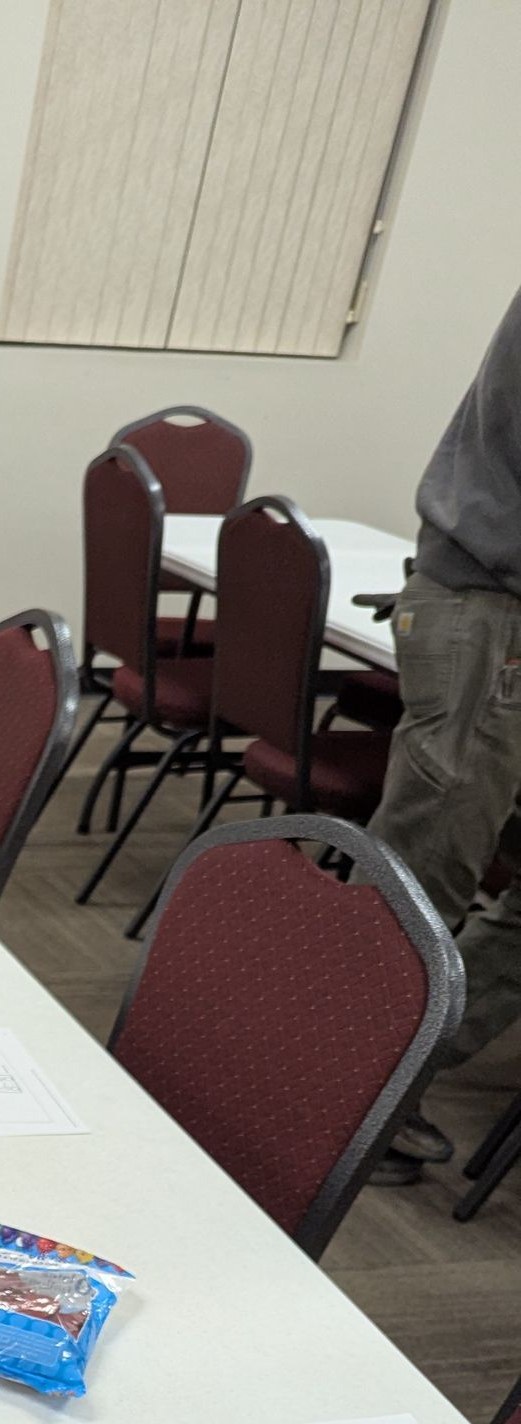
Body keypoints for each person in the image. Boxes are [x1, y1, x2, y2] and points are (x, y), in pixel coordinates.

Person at [372, 283, 521, 1181]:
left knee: (432, 872)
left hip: (491, 604)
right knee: (425, 874)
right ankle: (346, 1084)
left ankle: (386, 1076)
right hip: (492, 611)